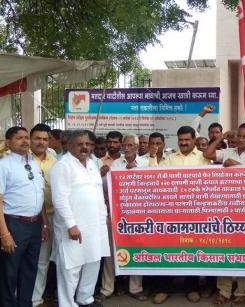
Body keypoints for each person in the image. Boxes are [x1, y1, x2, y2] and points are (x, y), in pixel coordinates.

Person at [204, 123, 245, 307]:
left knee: (242, 250)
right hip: (225, 207)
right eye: (238, 136)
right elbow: (207, 155)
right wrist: (220, 138)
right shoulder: (228, 151)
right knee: (224, 249)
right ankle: (223, 291)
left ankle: (241, 291)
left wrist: (236, 166)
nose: (240, 139)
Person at [149, 126, 209, 304]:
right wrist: (152, 157)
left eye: (187, 140)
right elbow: (154, 177)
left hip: (195, 213)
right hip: (171, 213)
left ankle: (192, 287)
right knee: (167, 249)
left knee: (192, 250)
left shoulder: (204, 158)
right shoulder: (170, 159)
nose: (183, 143)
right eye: (180, 140)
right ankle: (163, 288)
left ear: (194, 140)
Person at [50, 130, 110, 307]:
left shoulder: (91, 163)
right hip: (74, 226)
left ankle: (85, 298)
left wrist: (104, 217)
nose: (85, 147)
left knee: (93, 261)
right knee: (71, 267)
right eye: (80, 143)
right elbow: (59, 199)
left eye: (88, 144)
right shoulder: (63, 166)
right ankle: (67, 303)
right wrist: (71, 225)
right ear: (69, 145)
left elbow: (98, 193)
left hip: (95, 225)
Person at [95, 134, 153, 304]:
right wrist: (103, 174)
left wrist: (135, 172)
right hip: (115, 214)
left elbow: (151, 186)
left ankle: (135, 288)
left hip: (137, 215)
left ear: (137, 146)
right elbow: (102, 188)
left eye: (130, 145)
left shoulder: (145, 163)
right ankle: (107, 288)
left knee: (136, 250)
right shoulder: (114, 164)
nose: (126, 148)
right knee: (110, 253)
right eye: (125, 145)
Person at [0, 126, 47, 307]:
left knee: (29, 269)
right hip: (14, 224)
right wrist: (4, 234)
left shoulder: (33, 163)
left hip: (34, 224)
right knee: (9, 272)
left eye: (26, 137)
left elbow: (39, 195)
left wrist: (44, 224)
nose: (25, 141)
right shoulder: (4, 164)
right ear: (9, 142)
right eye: (19, 138)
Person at [29, 124, 57, 307]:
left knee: (42, 261)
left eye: (45, 139)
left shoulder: (54, 161)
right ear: (30, 140)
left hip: (51, 216)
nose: (41, 142)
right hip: (26, 218)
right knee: (23, 260)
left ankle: (36, 299)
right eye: (37, 138)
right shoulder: (20, 159)